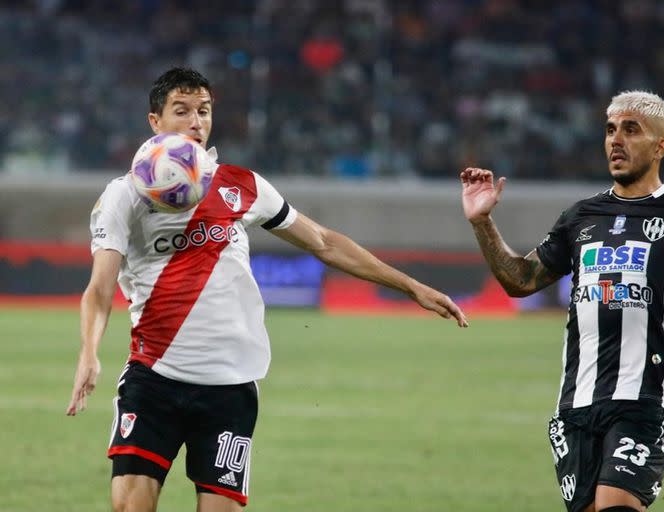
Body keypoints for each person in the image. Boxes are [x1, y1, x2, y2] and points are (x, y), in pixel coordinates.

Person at [67, 66, 468, 512]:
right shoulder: (125, 196)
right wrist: (89, 352)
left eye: (204, 111)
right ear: (155, 122)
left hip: (231, 387)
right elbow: (100, 288)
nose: (196, 122)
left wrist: (410, 286)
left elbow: (323, 242)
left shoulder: (241, 185)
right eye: (181, 111)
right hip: (153, 379)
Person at [460, 90, 664, 512]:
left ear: (660, 146)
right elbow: (521, 280)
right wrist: (483, 223)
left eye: (630, 129)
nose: (615, 140)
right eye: (609, 130)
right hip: (576, 406)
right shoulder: (581, 217)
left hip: (643, 402)